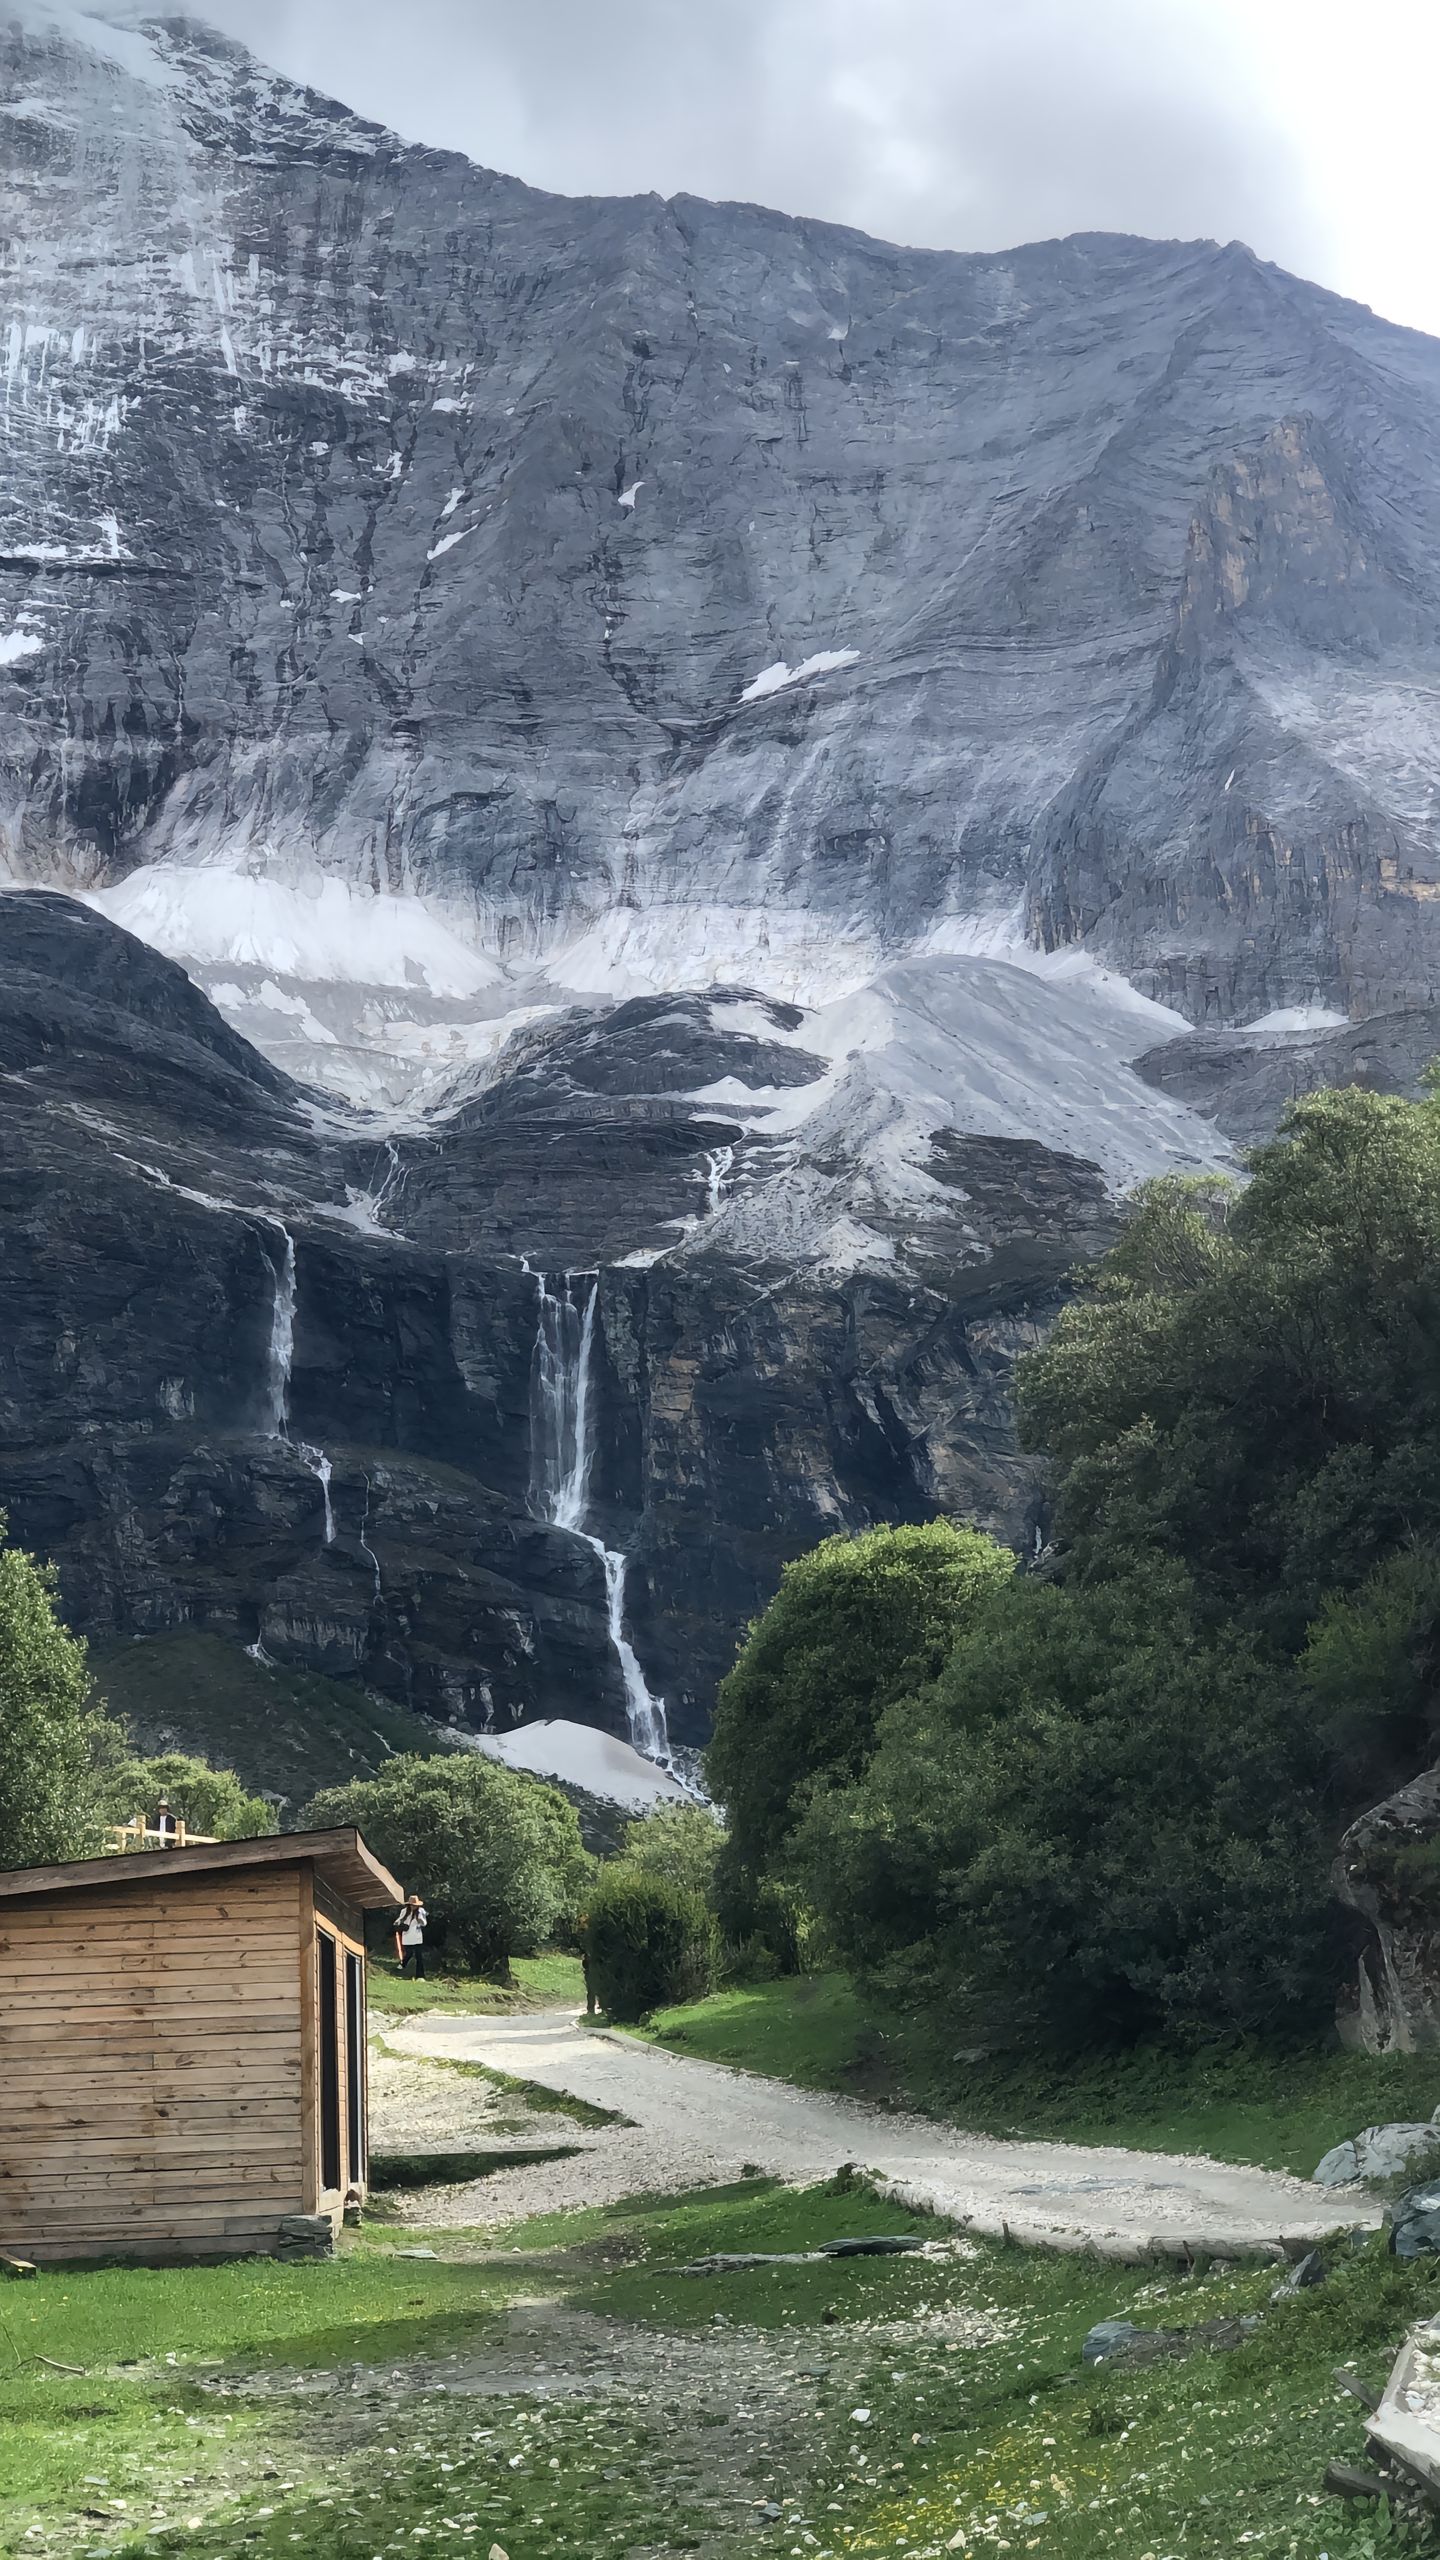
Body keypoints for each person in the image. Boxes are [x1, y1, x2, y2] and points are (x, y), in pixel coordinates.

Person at [393, 1892, 428, 1978]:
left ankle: (420, 1976)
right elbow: (399, 1920)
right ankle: (401, 1967)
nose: (413, 1907)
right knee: (408, 1954)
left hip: (417, 1937)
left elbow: (424, 1923)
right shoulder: (404, 1911)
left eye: (415, 1905)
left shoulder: (421, 1911)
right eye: (412, 1905)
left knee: (419, 1957)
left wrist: (420, 1920)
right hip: (407, 1937)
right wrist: (397, 1923)